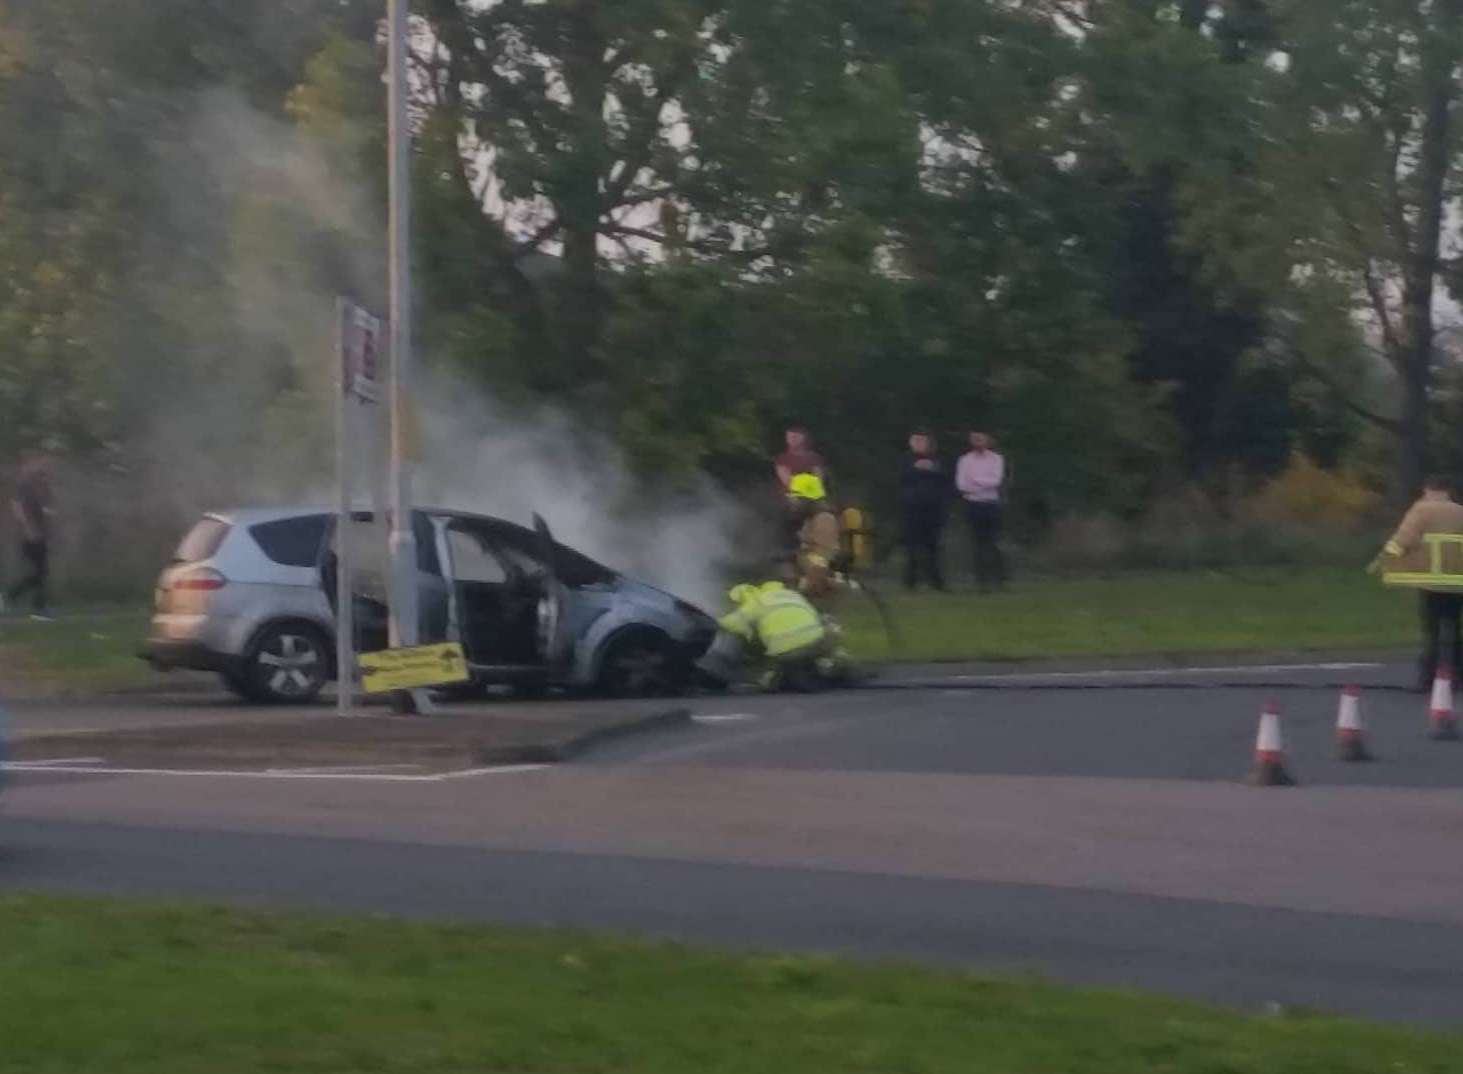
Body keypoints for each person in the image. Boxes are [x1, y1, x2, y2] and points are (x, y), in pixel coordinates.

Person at [1371, 475, 1463, 691]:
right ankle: (1457, 676)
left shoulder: (1422, 510)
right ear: (1448, 491)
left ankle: (1429, 679)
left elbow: (1404, 538)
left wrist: (1383, 560)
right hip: (1457, 581)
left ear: (1427, 489)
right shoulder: (1459, 511)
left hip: (1431, 582)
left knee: (1432, 630)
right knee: (1454, 628)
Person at [714, 580, 847, 691]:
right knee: (829, 630)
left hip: (787, 654)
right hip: (817, 642)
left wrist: (714, 621)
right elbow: (814, 616)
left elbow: (735, 621)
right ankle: (832, 661)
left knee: (775, 682)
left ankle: (774, 678)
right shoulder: (792, 595)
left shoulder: (757, 601)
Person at [956, 431, 1008, 592]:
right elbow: (961, 485)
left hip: (991, 504)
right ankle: (981, 581)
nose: (978, 442)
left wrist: (976, 481)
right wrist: (982, 484)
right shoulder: (965, 460)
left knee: (993, 542)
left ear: (987, 440)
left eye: (981, 439)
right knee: (978, 543)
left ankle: (999, 580)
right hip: (973, 504)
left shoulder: (996, 459)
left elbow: (996, 480)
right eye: (975, 439)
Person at [897, 430, 949, 591]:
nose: (918, 444)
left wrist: (931, 469)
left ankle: (936, 583)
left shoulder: (938, 460)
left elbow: (946, 479)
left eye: (922, 441)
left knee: (932, 547)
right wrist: (916, 469)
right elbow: (900, 478)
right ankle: (910, 583)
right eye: (915, 441)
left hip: (933, 510)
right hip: (912, 510)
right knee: (912, 548)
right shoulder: (905, 460)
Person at [6, 451, 54, 620]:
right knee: (40, 571)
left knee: (41, 571)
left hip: (41, 533)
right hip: (30, 533)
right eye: (37, 462)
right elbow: (16, 506)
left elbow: (46, 508)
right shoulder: (24, 484)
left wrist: (48, 519)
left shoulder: (42, 484)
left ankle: (35, 604)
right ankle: (20, 599)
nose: (42, 465)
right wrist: (27, 527)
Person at [787, 472, 842, 605]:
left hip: (819, 586)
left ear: (808, 499)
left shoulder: (824, 520)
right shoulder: (810, 519)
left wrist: (803, 588)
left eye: (796, 498)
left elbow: (822, 560)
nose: (792, 502)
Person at [773, 425, 827, 494]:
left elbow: (819, 479)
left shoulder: (815, 457)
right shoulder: (782, 459)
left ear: (805, 438)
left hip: (815, 493)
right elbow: (787, 482)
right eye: (789, 437)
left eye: (796, 436)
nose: (792, 439)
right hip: (791, 494)